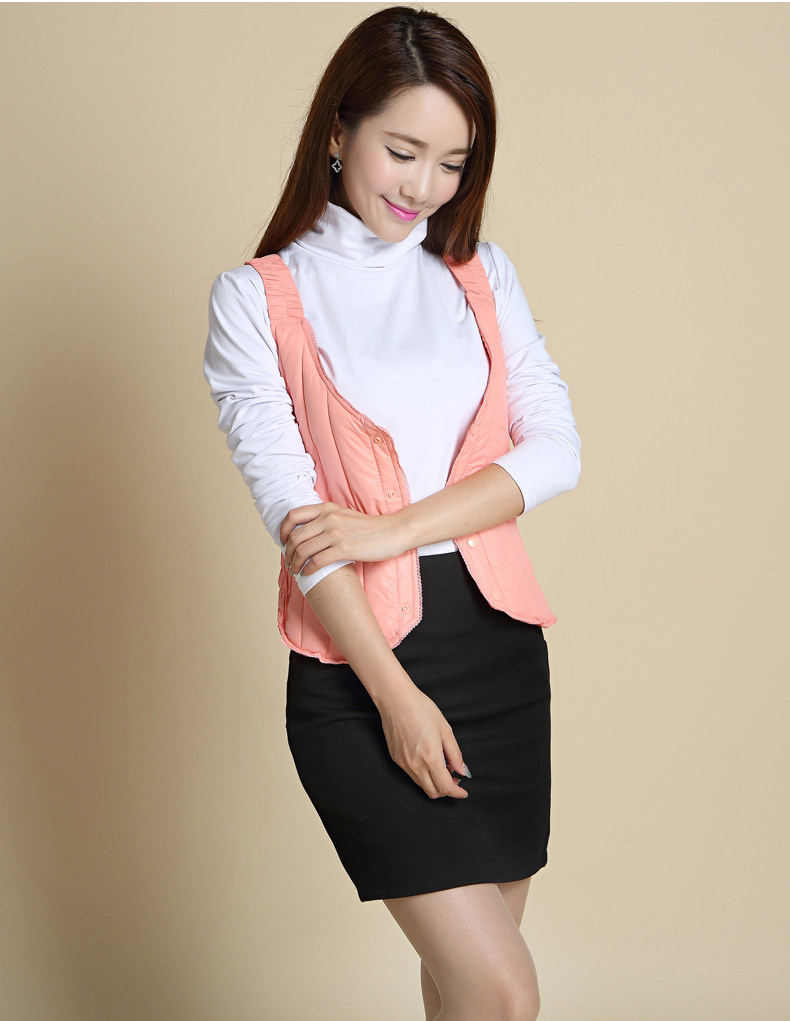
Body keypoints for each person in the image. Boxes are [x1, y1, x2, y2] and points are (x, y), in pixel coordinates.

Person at [203, 7, 580, 1019]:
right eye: (402, 151)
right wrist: (395, 697)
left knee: (464, 992)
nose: (423, 187)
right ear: (339, 130)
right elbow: (301, 523)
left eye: (452, 163)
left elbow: (555, 452)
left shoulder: (481, 276)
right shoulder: (256, 299)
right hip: (358, 664)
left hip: (498, 650)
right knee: (502, 993)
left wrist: (389, 527)